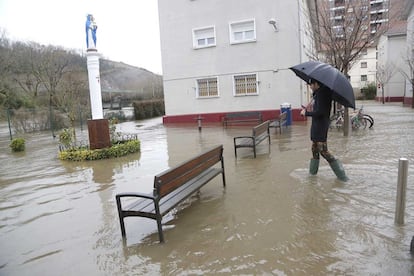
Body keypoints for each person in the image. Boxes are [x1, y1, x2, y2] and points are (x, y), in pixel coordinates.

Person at [300, 79, 348, 181]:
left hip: (321, 127)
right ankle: (312, 176)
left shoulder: (323, 94)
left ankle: (342, 176)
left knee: (323, 151)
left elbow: (320, 112)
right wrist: (314, 95)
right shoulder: (318, 94)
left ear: (317, 84)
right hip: (317, 126)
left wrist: (306, 113)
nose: (310, 86)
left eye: (311, 84)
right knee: (314, 149)